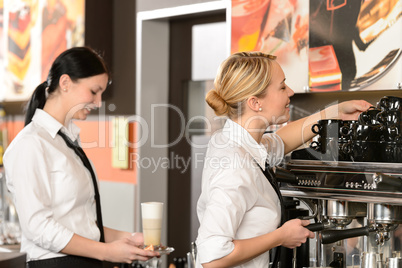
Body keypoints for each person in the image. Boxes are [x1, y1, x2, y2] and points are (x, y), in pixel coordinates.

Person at [195, 51, 372, 268]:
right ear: (254, 103)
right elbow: (213, 257)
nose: (290, 91)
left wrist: (335, 112)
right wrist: (281, 236)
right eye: (282, 87)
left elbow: (281, 141)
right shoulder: (234, 166)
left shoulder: (242, 143)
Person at [4, 47, 159, 267]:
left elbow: (79, 224)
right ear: (65, 83)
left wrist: (129, 239)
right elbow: (37, 227)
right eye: (94, 91)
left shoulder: (66, 142)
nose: (98, 102)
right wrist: (107, 252)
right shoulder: (31, 144)